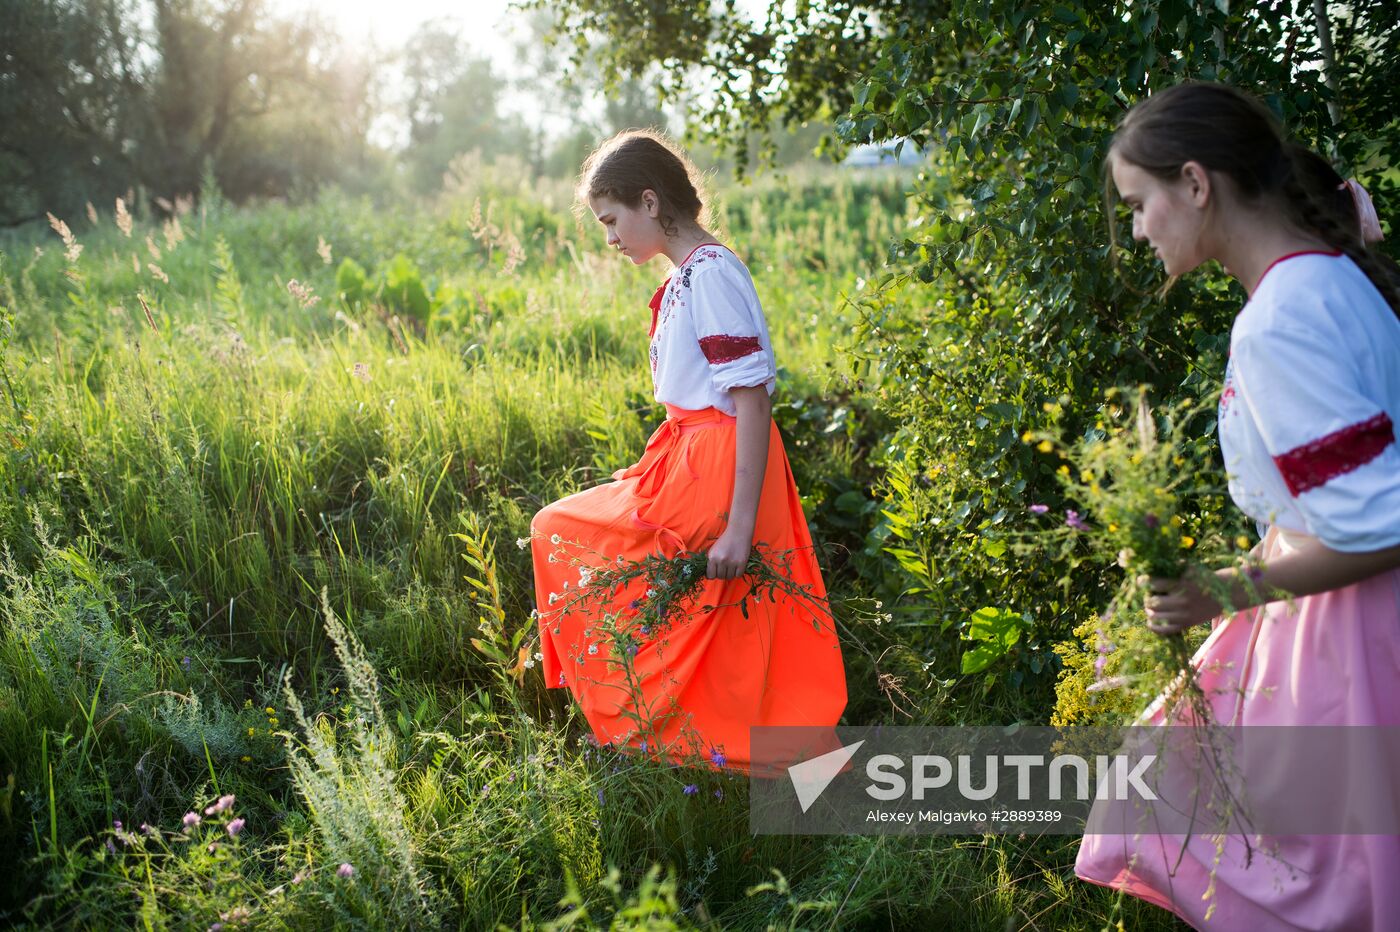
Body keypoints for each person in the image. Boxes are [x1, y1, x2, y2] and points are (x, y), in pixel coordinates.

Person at [1078, 82, 1400, 929]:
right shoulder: (1334, 280)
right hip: (1335, 617)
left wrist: (1222, 591)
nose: (1138, 229)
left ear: (1195, 183)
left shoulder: (1282, 319)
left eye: (1138, 204)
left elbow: (1382, 524)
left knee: (1311, 877)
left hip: (1351, 636)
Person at [529, 130, 847, 775]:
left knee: (565, 533)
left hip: (720, 465)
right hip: (690, 457)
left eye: (611, 221)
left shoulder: (711, 274)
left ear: (650, 202)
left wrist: (739, 526)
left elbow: (751, 400)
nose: (610, 239)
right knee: (703, 607)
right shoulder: (687, 275)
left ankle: (661, 733)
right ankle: (683, 740)